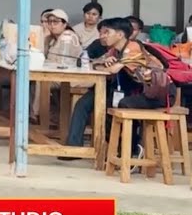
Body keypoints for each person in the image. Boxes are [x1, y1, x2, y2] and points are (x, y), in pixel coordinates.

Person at [63, 17, 168, 161]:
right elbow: (95, 65)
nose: (102, 36)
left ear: (120, 34)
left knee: (121, 105)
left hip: (152, 93)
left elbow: (113, 69)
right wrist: (104, 62)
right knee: (84, 102)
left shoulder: (133, 48)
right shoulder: (114, 50)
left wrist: (106, 65)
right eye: (101, 33)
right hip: (127, 89)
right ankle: (74, 148)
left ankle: (132, 150)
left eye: (106, 32)